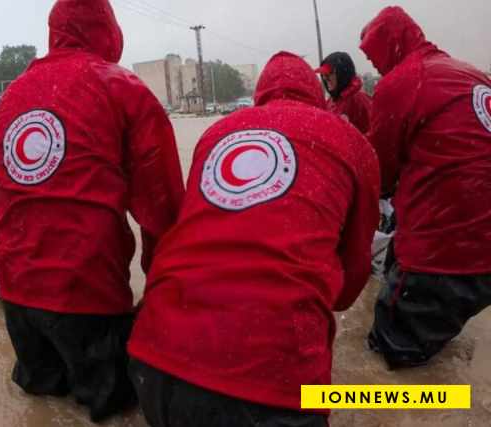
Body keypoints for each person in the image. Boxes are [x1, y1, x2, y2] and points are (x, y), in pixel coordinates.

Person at [127, 52, 380, 427]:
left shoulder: (215, 134)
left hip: (153, 361)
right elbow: (353, 271)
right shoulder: (351, 142)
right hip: (272, 388)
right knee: (406, 396)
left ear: (261, 91)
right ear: (313, 91)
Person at [0, 0, 185, 421]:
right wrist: (161, 295)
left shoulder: (12, 96)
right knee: (114, 409)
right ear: (108, 31)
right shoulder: (122, 88)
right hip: (89, 297)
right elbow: (164, 212)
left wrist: (9, 272)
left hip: (18, 302)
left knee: (42, 404)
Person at [361, 6, 491, 369]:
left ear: (390, 46)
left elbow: (379, 172)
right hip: (480, 251)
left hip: (441, 256)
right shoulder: (472, 74)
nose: (376, 67)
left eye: (375, 57)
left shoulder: (403, 81)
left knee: (387, 367)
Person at [315, 52, 373, 133]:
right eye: (323, 75)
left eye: (329, 74)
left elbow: (374, 132)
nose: (325, 78)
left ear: (342, 74)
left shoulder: (359, 100)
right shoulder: (331, 101)